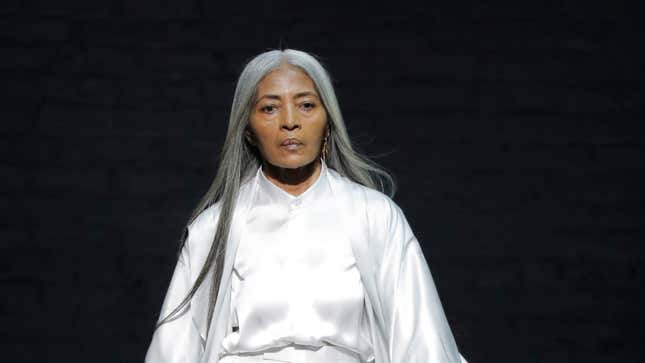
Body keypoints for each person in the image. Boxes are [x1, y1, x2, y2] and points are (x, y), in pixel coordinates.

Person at [144, 49, 468, 363]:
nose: (290, 122)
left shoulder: (373, 217)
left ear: (327, 120)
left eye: (306, 105)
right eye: (270, 108)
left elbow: (421, 341)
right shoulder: (214, 230)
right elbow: (174, 350)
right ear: (248, 130)